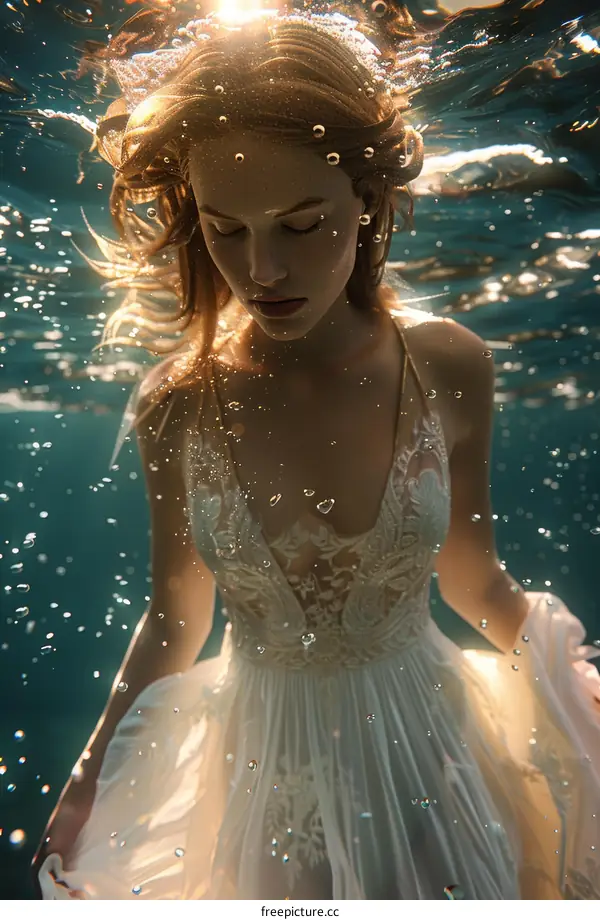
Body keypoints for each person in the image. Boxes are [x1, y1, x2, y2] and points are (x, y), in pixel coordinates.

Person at [33, 6, 600, 901]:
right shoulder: (174, 403)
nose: (261, 269)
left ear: (367, 201)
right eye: (226, 228)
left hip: (432, 753)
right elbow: (176, 619)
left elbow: (472, 580)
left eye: (301, 225)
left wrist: (575, 688)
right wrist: (89, 777)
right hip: (258, 772)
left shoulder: (448, 364)